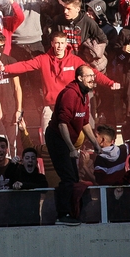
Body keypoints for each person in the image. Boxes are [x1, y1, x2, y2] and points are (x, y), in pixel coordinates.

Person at [46, 65, 100, 225]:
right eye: (88, 76)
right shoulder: (70, 94)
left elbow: (84, 122)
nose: (92, 78)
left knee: (75, 178)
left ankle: (74, 211)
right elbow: (62, 124)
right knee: (68, 177)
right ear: (79, 78)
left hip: (68, 140)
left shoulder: (85, 95)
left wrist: (95, 143)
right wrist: (71, 148)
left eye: (93, 76)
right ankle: (62, 215)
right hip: (57, 138)